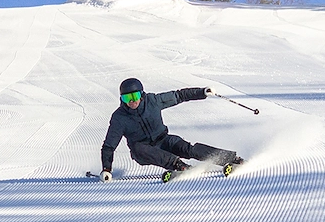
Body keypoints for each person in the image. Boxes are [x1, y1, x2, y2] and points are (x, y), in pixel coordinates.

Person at [99, 77, 243, 182]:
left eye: (134, 96)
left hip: (163, 140)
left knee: (188, 149)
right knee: (138, 148)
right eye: (127, 98)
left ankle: (231, 159)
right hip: (143, 151)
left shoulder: (153, 101)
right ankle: (180, 166)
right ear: (122, 99)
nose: (132, 101)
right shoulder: (119, 118)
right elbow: (109, 146)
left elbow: (178, 95)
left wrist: (201, 92)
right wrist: (106, 169)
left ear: (141, 95)